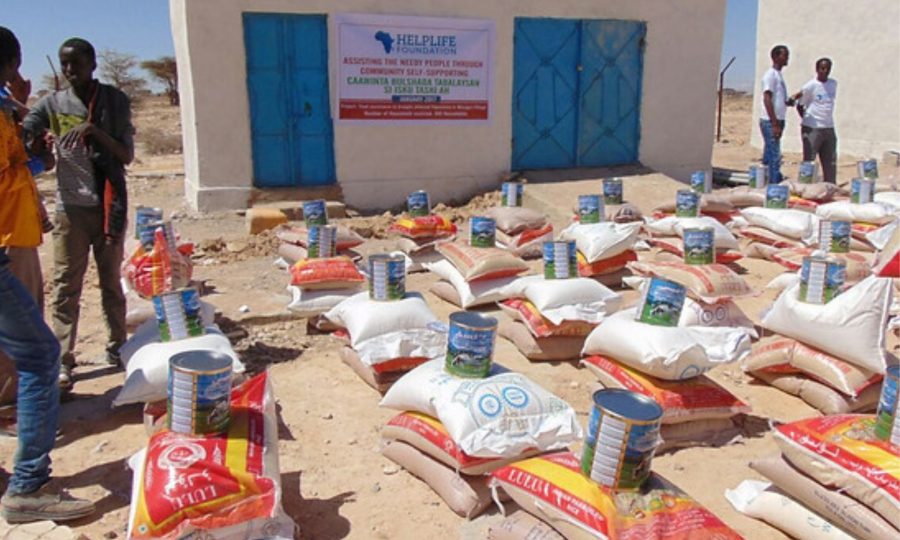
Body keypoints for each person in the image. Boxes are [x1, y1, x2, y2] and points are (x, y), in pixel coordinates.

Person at [0, 25, 95, 523]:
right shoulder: (16, 112)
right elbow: (13, 167)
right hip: (7, 239)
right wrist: (37, 152)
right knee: (39, 355)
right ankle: (28, 486)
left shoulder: (108, 100)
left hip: (82, 212)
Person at [24, 37, 134, 394]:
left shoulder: (114, 102)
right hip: (70, 210)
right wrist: (36, 142)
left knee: (110, 283)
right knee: (65, 286)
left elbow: (125, 155)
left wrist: (93, 131)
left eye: (76, 63)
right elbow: (25, 133)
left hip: (107, 205)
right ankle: (62, 360)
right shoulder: (52, 105)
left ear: (93, 65)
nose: (70, 70)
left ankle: (119, 346)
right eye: (64, 64)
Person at [791, 58, 838, 184]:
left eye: (827, 68)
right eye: (822, 68)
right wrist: (808, 120)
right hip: (812, 128)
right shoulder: (810, 86)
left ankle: (830, 185)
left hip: (828, 127)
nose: (825, 71)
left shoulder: (833, 84)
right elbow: (800, 105)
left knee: (830, 161)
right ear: (817, 69)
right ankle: (806, 186)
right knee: (809, 161)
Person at [759, 44, 790, 183]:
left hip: (778, 119)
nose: (787, 57)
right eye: (784, 55)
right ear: (775, 57)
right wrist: (774, 123)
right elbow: (767, 98)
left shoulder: (779, 75)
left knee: (769, 154)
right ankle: (773, 185)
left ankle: (763, 180)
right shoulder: (770, 75)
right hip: (771, 121)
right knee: (775, 155)